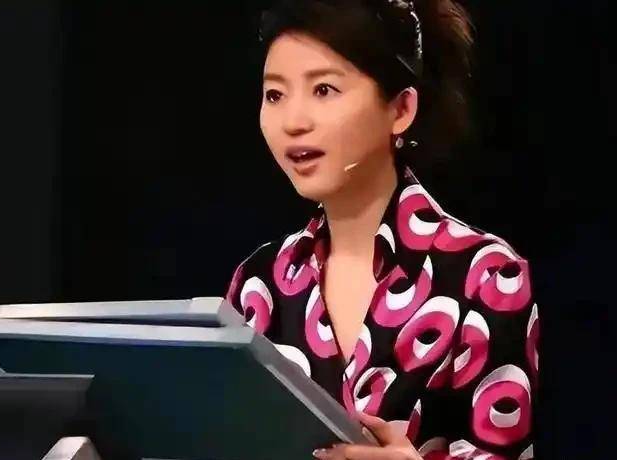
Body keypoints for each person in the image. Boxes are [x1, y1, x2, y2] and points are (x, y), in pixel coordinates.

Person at [223, 1, 538, 458]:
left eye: (324, 89)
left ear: (401, 108)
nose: (293, 122)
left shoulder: (485, 276)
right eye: (275, 95)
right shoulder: (259, 283)